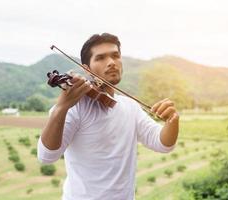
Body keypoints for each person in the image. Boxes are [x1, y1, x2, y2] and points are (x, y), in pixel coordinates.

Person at [37, 33, 179, 200]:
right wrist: (62, 107)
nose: (111, 62)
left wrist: (173, 120)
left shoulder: (130, 107)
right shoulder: (74, 107)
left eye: (115, 56)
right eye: (101, 58)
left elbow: (163, 144)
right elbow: (46, 156)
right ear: (86, 69)